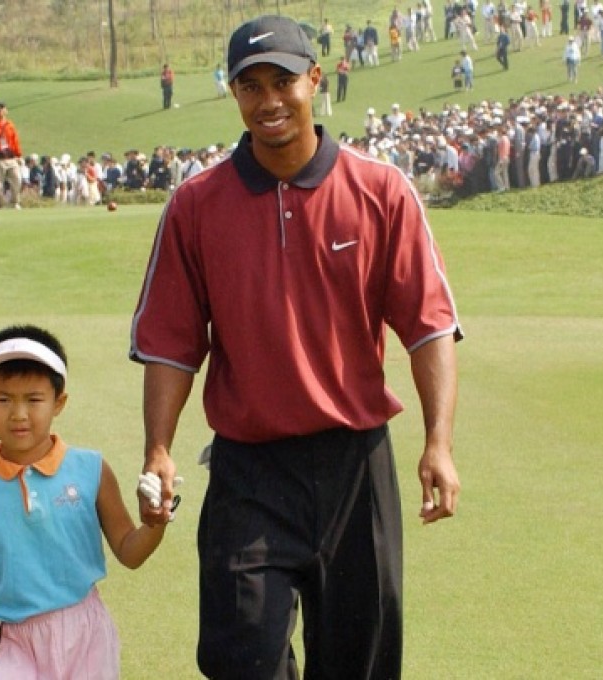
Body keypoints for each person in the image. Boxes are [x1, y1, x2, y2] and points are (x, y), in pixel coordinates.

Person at [130, 14, 461, 680]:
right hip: (248, 474)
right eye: (249, 86)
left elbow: (428, 326)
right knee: (240, 658)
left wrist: (438, 442)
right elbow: (171, 342)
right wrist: (158, 450)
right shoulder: (196, 205)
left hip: (353, 464)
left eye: (282, 80)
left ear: (315, 78)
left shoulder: (380, 191)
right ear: (233, 94)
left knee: (359, 665)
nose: (268, 100)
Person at [0, 325, 168, 680]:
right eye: (3, 399)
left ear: (59, 402)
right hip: (4, 636)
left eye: (34, 399)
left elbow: (129, 550)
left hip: (83, 632)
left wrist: (155, 523)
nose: (18, 414)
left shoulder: (90, 469)